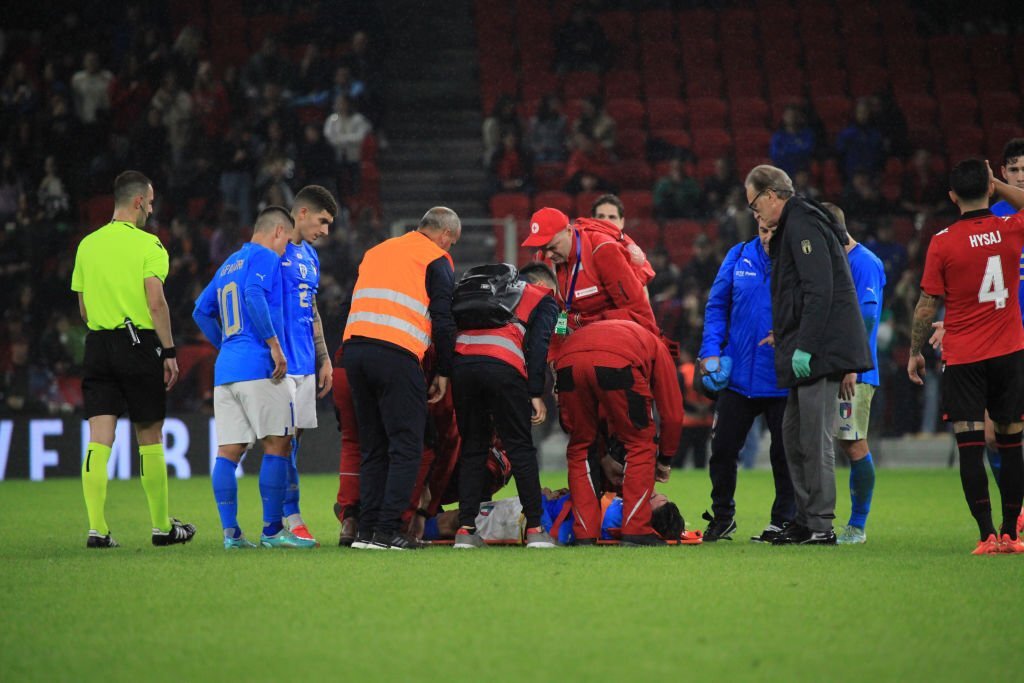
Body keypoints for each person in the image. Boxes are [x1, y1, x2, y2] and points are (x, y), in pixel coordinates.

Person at [745, 164, 871, 546]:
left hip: (819, 351)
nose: (755, 214)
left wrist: (806, 345)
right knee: (793, 435)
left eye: (754, 205)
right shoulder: (794, 226)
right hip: (805, 348)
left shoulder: (802, 224)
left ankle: (820, 523)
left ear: (770, 195)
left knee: (814, 439)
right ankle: (804, 518)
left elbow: (820, 290)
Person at [71, 170, 195, 548]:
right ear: (139, 201)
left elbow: (84, 309)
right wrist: (169, 351)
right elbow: (156, 301)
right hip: (138, 342)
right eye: (151, 202)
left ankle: (97, 529)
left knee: (99, 439)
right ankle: (161, 527)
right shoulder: (149, 246)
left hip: (98, 344)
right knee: (150, 435)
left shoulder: (87, 246)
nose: (152, 209)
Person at [907, 159, 1024, 555]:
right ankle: (1012, 534)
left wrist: (915, 352)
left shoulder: (942, 241)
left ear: (952, 196)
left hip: (965, 358)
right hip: (1010, 353)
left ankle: (986, 535)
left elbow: (926, 306)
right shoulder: (1011, 228)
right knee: (1012, 446)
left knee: (971, 447)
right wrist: (999, 186)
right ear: (990, 189)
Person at [193, 206, 313, 549]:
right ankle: (273, 531)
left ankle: (231, 533)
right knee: (279, 443)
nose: (285, 249)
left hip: (227, 371)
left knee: (228, 452)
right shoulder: (265, 256)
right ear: (278, 232)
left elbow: (200, 311)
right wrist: (273, 345)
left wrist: (227, 346)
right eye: (285, 241)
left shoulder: (230, 262)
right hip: (260, 366)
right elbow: (253, 295)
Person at [342, 207, 460, 550]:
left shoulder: (376, 252)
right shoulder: (436, 258)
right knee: (408, 446)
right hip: (396, 354)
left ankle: (366, 531)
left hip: (355, 352)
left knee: (374, 445)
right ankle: (387, 530)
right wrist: (445, 370)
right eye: (450, 244)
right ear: (445, 236)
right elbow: (442, 318)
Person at [698, 213, 795, 542]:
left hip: (780, 378)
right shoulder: (738, 255)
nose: (767, 237)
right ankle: (723, 516)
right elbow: (716, 306)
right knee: (723, 449)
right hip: (738, 377)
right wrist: (710, 350)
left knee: (783, 454)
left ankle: (782, 520)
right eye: (763, 230)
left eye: (774, 231)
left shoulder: (797, 262)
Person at [451, 263, 560, 549]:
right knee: (520, 447)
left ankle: (465, 532)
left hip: (462, 365)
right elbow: (539, 347)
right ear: (544, 283)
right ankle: (535, 529)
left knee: (473, 447)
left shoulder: (488, 294)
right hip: (503, 365)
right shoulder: (543, 297)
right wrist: (536, 392)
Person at [554, 319, 684, 545]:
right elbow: (672, 414)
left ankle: (584, 534)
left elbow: (573, 422)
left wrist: (604, 457)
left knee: (580, 447)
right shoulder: (657, 347)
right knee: (640, 443)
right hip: (618, 361)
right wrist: (664, 459)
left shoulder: (620, 330)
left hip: (567, 358)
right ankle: (636, 530)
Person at [274, 185, 339, 546]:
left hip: (304, 363)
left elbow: (310, 311)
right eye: (322, 221)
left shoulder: (310, 257)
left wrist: (324, 357)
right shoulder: (272, 250)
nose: (326, 231)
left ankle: (286, 519)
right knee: (275, 444)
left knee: (291, 444)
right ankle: (282, 520)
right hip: (276, 364)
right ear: (302, 213)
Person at [823, 203, 885, 545]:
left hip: (855, 372)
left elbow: (868, 317)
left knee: (852, 442)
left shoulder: (864, 262)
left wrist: (849, 365)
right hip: (834, 367)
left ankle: (857, 526)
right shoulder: (838, 261)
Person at [521, 207, 657, 337]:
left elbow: (636, 308)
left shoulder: (602, 250)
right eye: (543, 248)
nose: (549, 254)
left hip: (613, 335)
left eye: (553, 247)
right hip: (573, 336)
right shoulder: (542, 260)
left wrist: (653, 348)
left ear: (569, 231)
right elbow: (556, 314)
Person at [425, 489, 685, 546]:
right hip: (535, 511)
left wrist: (537, 504)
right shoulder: (623, 514)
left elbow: (560, 536)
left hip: (522, 518)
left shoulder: (615, 521)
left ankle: (407, 530)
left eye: (652, 498)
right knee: (456, 517)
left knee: (457, 520)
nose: (650, 492)